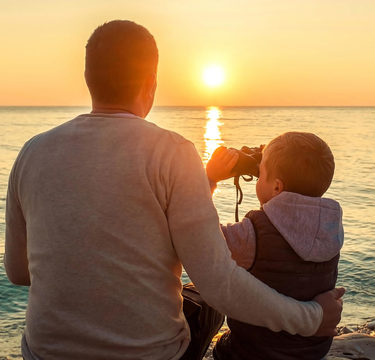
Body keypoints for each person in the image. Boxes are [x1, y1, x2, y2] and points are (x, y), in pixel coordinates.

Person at [4, 20, 344, 360]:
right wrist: (312, 318)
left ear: (88, 78)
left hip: (43, 353)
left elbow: (19, 272)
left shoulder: (32, 152)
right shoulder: (173, 152)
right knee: (204, 297)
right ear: (151, 83)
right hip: (153, 355)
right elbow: (219, 284)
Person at [206, 132, 344, 360]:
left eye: (260, 176)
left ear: (277, 187)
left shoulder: (253, 234)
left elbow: (203, 237)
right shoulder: (331, 228)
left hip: (253, 352)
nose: (258, 179)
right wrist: (271, 163)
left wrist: (210, 178)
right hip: (312, 350)